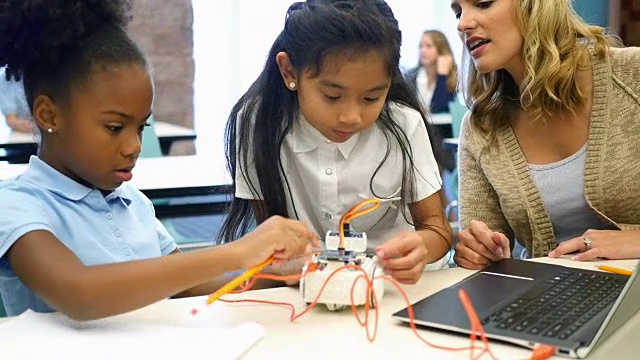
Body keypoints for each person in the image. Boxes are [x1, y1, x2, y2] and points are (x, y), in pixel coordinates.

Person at [0, 0, 317, 320]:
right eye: (114, 127)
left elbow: (192, 285)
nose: (134, 146)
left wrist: (276, 272)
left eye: (141, 128)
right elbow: (81, 296)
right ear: (48, 114)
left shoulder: (132, 204)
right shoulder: (17, 205)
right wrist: (237, 251)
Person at [219, 0, 453, 285]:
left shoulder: (404, 124)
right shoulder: (258, 123)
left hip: (397, 290)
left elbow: (437, 230)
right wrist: (285, 262)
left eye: (371, 98)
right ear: (289, 72)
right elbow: (271, 233)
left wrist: (421, 248)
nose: (351, 117)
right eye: (332, 96)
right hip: (310, 289)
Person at [451, 0, 640, 270]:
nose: (462, 23)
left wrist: (635, 241)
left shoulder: (633, 75)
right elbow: (481, 249)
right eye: (458, 12)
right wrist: (477, 251)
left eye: (483, 3)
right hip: (552, 302)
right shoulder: (482, 127)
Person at [405, 30, 458, 114]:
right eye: (421, 46)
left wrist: (442, 76)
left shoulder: (453, 78)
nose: (423, 50)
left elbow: (439, 109)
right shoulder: (410, 76)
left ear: (441, 50)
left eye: (428, 46)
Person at [0, 66, 38, 162]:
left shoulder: (48, 72)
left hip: (47, 139)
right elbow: (11, 120)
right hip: (21, 141)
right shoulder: (6, 77)